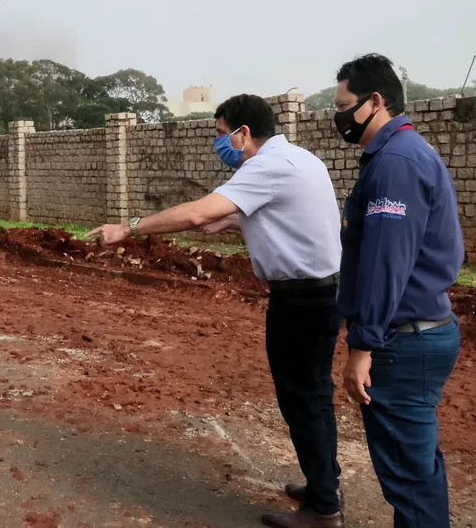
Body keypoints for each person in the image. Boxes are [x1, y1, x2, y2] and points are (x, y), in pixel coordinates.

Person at [89, 94, 345, 528]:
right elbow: (292, 215)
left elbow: (194, 214)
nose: (219, 143)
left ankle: (323, 510)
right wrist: (233, 221)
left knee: (301, 399)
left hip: (300, 299)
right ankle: (325, 484)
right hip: (325, 293)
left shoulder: (264, 166)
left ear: (244, 134)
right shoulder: (303, 160)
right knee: (315, 396)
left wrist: (127, 228)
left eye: (221, 134)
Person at [335, 53, 463, 528]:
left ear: (375, 101)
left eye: (344, 105)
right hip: (418, 330)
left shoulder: (396, 163)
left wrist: (364, 344)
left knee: (409, 476)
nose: (339, 116)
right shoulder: (400, 154)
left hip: (402, 340)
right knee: (416, 466)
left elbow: (386, 262)